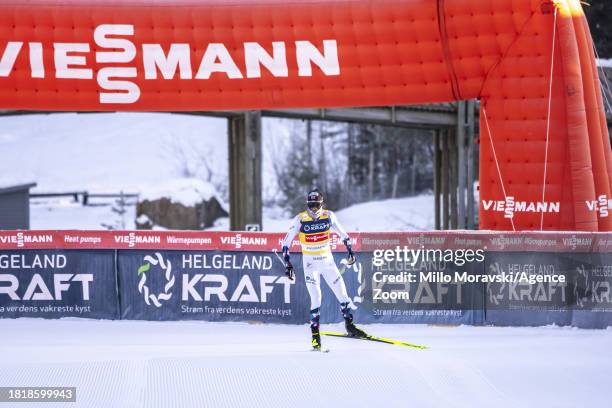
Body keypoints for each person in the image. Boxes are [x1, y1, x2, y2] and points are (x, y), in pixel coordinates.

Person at [281, 188, 366, 350]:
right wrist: (288, 265)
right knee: (316, 299)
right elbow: (285, 243)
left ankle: (350, 326)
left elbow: (343, 235)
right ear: (307, 204)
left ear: (321, 204)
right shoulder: (300, 219)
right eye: (311, 205)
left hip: (328, 264)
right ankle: (315, 336)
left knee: (343, 294)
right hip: (310, 265)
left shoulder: (329, 216)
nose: (313, 209)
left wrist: (350, 251)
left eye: (316, 205)